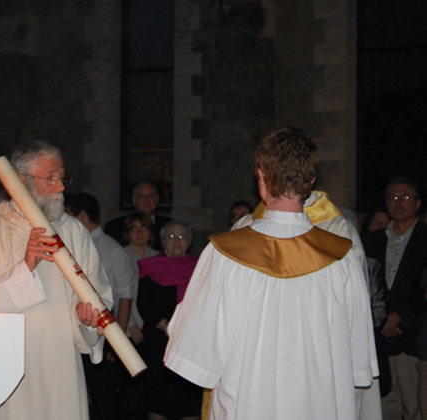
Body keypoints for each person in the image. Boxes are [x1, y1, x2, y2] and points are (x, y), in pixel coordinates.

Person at [165, 126, 378, 420]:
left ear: (261, 178)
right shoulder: (342, 257)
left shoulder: (225, 253)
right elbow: (356, 362)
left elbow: (194, 352)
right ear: (311, 180)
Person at [0, 140, 112, 420]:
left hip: (60, 367)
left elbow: (97, 293)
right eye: (50, 178)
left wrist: (85, 318)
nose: (62, 186)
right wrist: (25, 269)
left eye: (62, 177)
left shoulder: (73, 231)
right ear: (20, 182)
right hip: (5, 374)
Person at [66, 192, 137, 420]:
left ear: (82, 216)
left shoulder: (109, 248)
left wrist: (118, 340)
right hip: (79, 331)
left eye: (69, 215)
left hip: (105, 333)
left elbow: (125, 295)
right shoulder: (75, 244)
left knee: (104, 400)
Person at [363, 176, 427, 420]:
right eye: (393, 198)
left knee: (414, 407)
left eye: (406, 197)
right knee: (384, 407)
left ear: (418, 204)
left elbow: (419, 287)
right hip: (379, 336)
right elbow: (366, 284)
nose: (398, 202)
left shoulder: (425, 238)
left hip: (413, 334)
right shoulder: (372, 241)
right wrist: (380, 320)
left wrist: (398, 316)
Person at [137, 220, 201, 420]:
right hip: (159, 346)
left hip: (190, 346)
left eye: (182, 237)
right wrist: (168, 327)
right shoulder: (150, 266)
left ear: (189, 241)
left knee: (190, 404)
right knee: (159, 404)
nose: (176, 241)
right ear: (163, 240)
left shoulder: (200, 267)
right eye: (171, 237)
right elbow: (145, 304)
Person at [122, 211, 159, 344]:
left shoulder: (158, 258)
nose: (139, 233)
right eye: (134, 228)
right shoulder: (121, 256)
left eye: (143, 227)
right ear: (128, 233)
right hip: (128, 325)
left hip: (154, 326)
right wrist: (131, 325)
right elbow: (117, 294)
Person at [104, 181, 172, 250]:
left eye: (151, 196)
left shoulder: (170, 225)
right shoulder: (114, 226)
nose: (146, 201)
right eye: (141, 197)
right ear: (134, 200)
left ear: (157, 199)